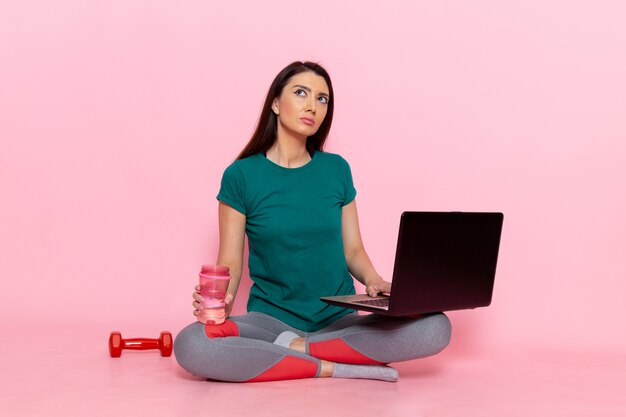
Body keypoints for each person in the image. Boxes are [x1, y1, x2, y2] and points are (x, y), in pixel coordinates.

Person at [174, 61, 451, 382]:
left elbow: (353, 251)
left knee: (436, 327)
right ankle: (332, 364)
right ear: (276, 103)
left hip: (339, 320)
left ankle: (298, 350)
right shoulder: (241, 176)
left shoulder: (337, 170)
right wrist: (223, 302)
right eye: (301, 93)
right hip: (269, 323)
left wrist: (374, 281)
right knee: (193, 343)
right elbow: (230, 262)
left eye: (322, 99)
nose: (313, 106)